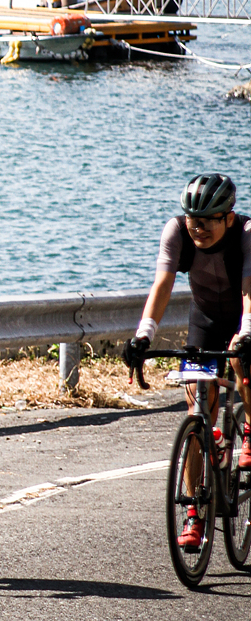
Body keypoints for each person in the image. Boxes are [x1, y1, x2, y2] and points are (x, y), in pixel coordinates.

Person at [124, 173, 251, 549]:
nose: (199, 228)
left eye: (209, 220)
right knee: (198, 403)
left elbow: (249, 291)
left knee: (243, 364)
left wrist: (246, 332)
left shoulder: (246, 234)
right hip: (206, 319)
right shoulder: (176, 232)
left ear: (228, 217)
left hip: (246, 316)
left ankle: (250, 431)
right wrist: (143, 335)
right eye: (194, 219)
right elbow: (162, 285)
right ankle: (194, 513)